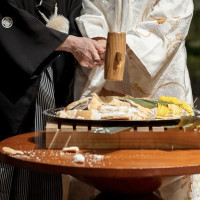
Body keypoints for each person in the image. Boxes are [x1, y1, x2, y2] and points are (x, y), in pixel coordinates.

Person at [74, 0, 199, 199]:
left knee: (166, 165)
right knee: (98, 163)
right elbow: (93, 6)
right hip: (103, 66)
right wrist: (97, 36)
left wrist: (126, 44)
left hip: (158, 73)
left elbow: (174, 13)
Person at [0, 0, 104, 199]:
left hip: (55, 86)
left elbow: (81, 18)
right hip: (12, 82)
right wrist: (64, 42)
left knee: (45, 169)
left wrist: (95, 41)